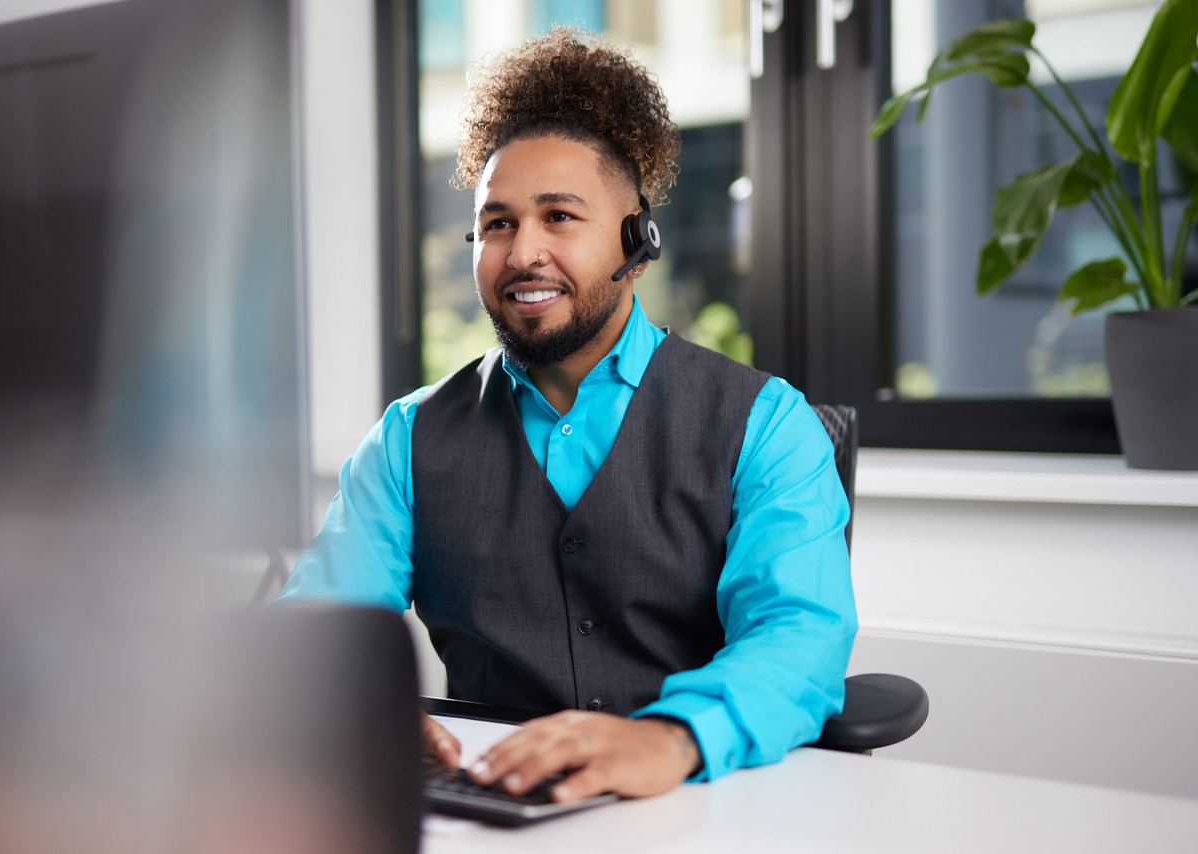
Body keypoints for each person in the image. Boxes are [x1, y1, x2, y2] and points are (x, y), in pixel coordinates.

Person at [280, 28, 856, 804]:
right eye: (497, 223)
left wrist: (671, 738)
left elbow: (801, 636)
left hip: (699, 805)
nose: (522, 253)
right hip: (489, 808)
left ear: (637, 242)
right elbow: (323, 625)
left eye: (559, 216)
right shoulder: (406, 440)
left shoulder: (767, 423)